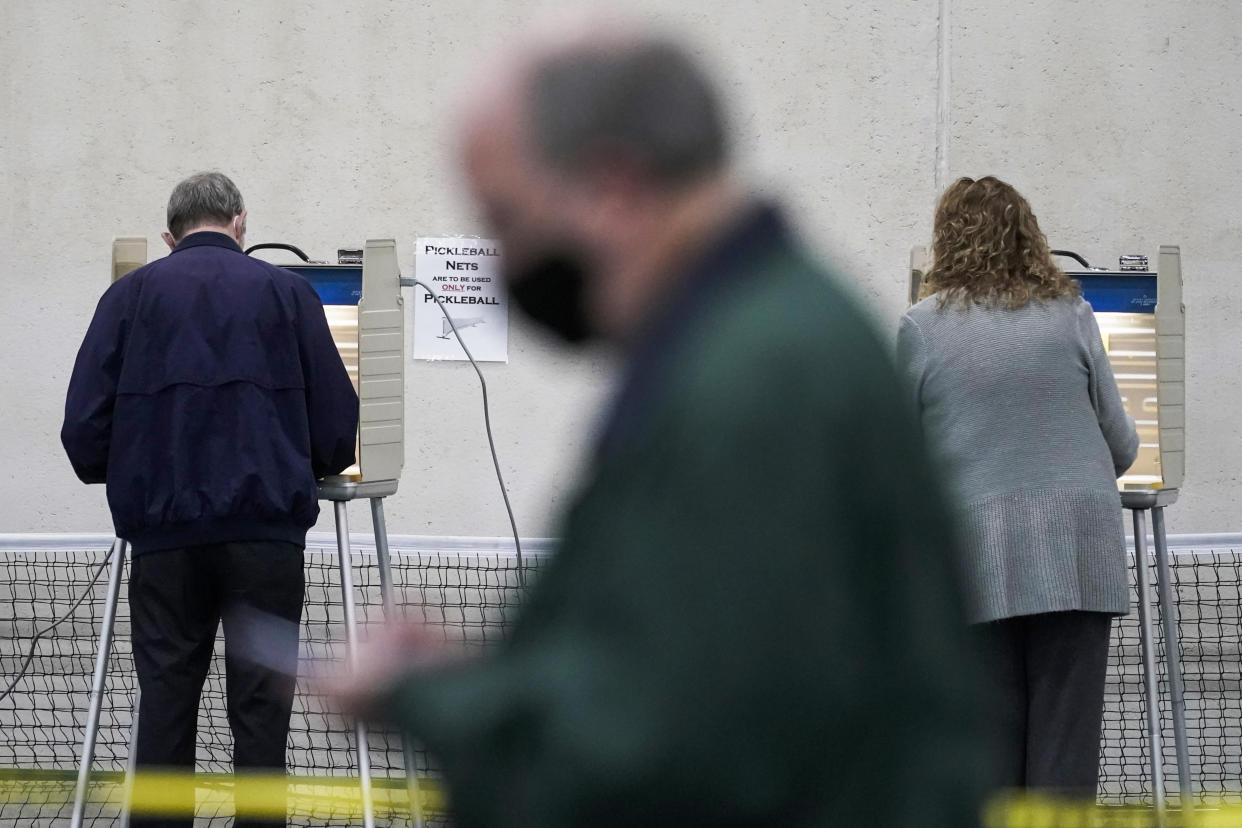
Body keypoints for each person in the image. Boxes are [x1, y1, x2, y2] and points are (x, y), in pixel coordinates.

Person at [336, 28, 996, 828]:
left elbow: (664, 752)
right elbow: (692, 661)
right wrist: (495, 680)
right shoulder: (762, 341)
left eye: (505, 218)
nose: (501, 261)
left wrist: (431, 701)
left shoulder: (756, 384)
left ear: (615, 186)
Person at [61, 171, 358, 828]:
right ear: (242, 223)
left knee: (165, 706)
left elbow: (83, 433)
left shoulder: (128, 297)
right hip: (266, 542)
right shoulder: (290, 293)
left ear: (170, 236)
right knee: (261, 713)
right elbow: (339, 430)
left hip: (165, 544)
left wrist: (137, 470)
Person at [896, 176, 1140, 797]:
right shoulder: (1073, 316)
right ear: (1029, 237)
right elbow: (1121, 445)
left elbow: (899, 460)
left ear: (948, 240)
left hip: (974, 564)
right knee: (1065, 757)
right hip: (1079, 560)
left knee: (989, 754)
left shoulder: (922, 328)